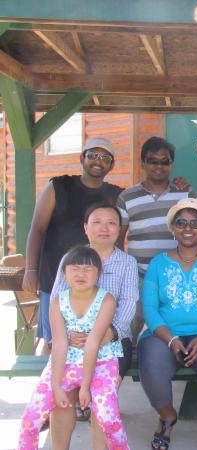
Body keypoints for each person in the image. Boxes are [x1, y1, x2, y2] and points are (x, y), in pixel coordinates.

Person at [139, 198, 197, 450]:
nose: (188, 228)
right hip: (163, 333)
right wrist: (170, 339)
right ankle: (168, 417)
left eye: (195, 223)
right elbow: (149, 309)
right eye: (181, 222)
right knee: (152, 367)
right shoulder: (158, 263)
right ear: (173, 228)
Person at [19, 246, 129, 450]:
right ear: (65, 273)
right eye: (75, 269)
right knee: (30, 419)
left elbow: (94, 341)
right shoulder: (57, 302)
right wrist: (56, 386)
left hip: (101, 362)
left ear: (99, 273)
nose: (81, 274)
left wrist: (85, 386)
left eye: (88, 269)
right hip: (65, 362)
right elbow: (59, 343)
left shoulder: (106, 300)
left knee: (108, 419)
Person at [48, 202, 138, 449]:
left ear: (120, 230)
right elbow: (57, 298)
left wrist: (111, 332)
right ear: (86, 228)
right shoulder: (70, 259)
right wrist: (68, 334)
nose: (104, 228)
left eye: (111, 223)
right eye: (97, 222)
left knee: (102, 401)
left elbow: (130, 302)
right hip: (72, 342)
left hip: (114, 342)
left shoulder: (127, 263)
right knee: (63, 398)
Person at [22, 137, 122, 352]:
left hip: (97, 284)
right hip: (54, 279)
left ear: (112, 165)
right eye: (93, 155)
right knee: (53, 342)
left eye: (105, 157)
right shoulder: (58, 186)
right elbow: (37, 229)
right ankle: (49, 385)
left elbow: (119, 240)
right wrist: (31, 269)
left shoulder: (116, 195)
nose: (98, 161)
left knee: (90, 343)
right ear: (82, 158)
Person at [117, 136, 196, 342]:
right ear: (143, 163)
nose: (159, 166)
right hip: (140, 276)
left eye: (165, 161)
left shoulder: (185, 193)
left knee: (172, 327)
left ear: (171, 164)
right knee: (131, 323)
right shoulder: (127, 197)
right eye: (153, 161)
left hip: (177, 274)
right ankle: (125, 367)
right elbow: (118, 239)